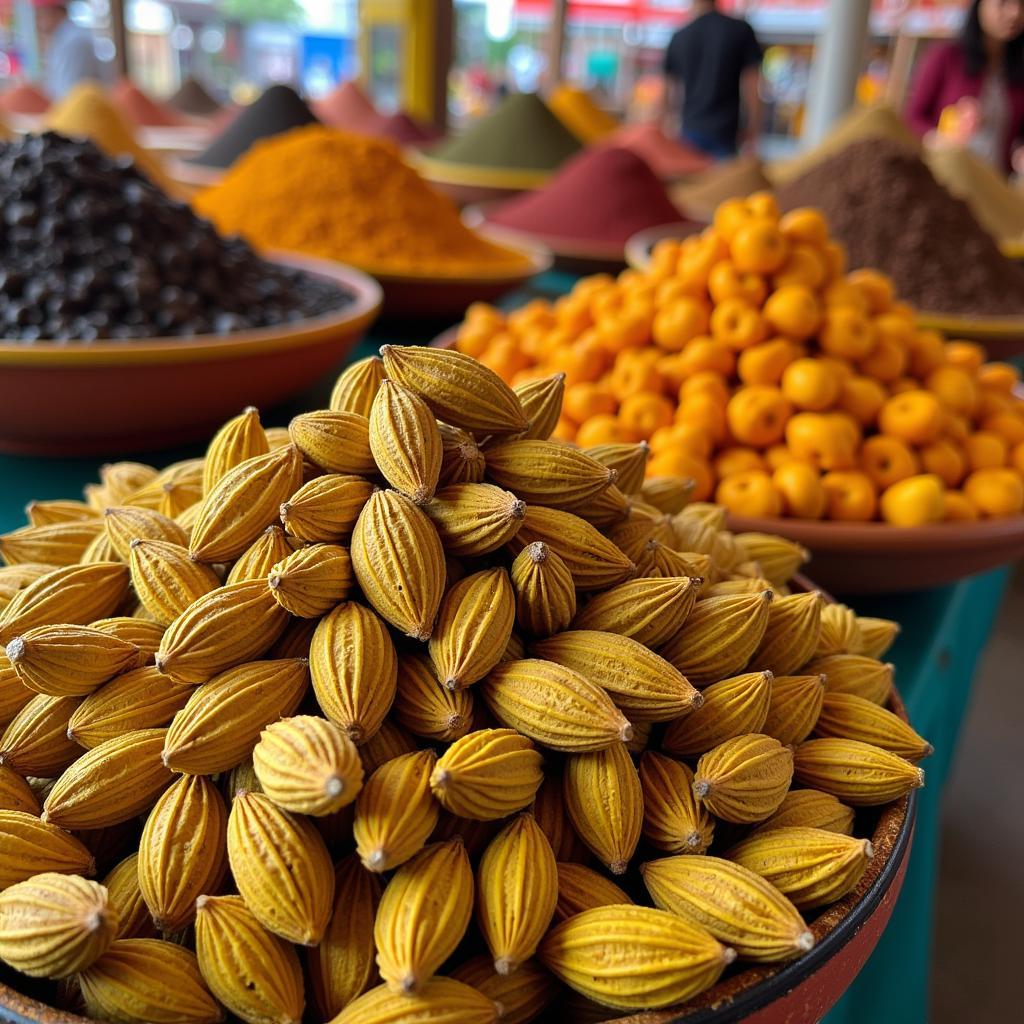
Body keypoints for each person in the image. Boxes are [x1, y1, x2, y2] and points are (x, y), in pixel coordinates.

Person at [905, 0, 1024, 171]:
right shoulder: (945, 56)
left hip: (997, 185)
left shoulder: (1018, 69)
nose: (1015, 12)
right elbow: (912, 118)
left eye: (1022, 5)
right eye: (1003, 2)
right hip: (947, 175)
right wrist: (937, 139)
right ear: (979, 5)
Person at [662, 0, 763, 159]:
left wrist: (666, 128)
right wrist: (754, 128)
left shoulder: (679, 36)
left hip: (689, 130)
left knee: (695, 182)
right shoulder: (740, 30)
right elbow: (752, 86)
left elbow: (668, 91)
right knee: (724, 183)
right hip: (726, 131)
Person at [34, 0, 107, 99]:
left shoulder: (74, 42)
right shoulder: (63, 39)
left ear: (51, 12)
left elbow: (70, 95)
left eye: (39, 15)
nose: (37, 22)